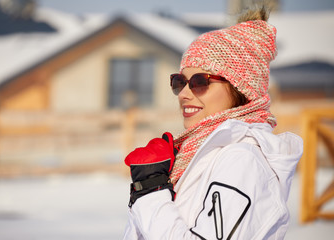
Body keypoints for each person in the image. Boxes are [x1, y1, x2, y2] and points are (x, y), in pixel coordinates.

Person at [123, 6, 303, 240]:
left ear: (241, 87)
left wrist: (151, 193)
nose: (184, 93)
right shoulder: (197, 155)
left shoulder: (242, 161)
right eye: (180, 81)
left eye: (200, 81)